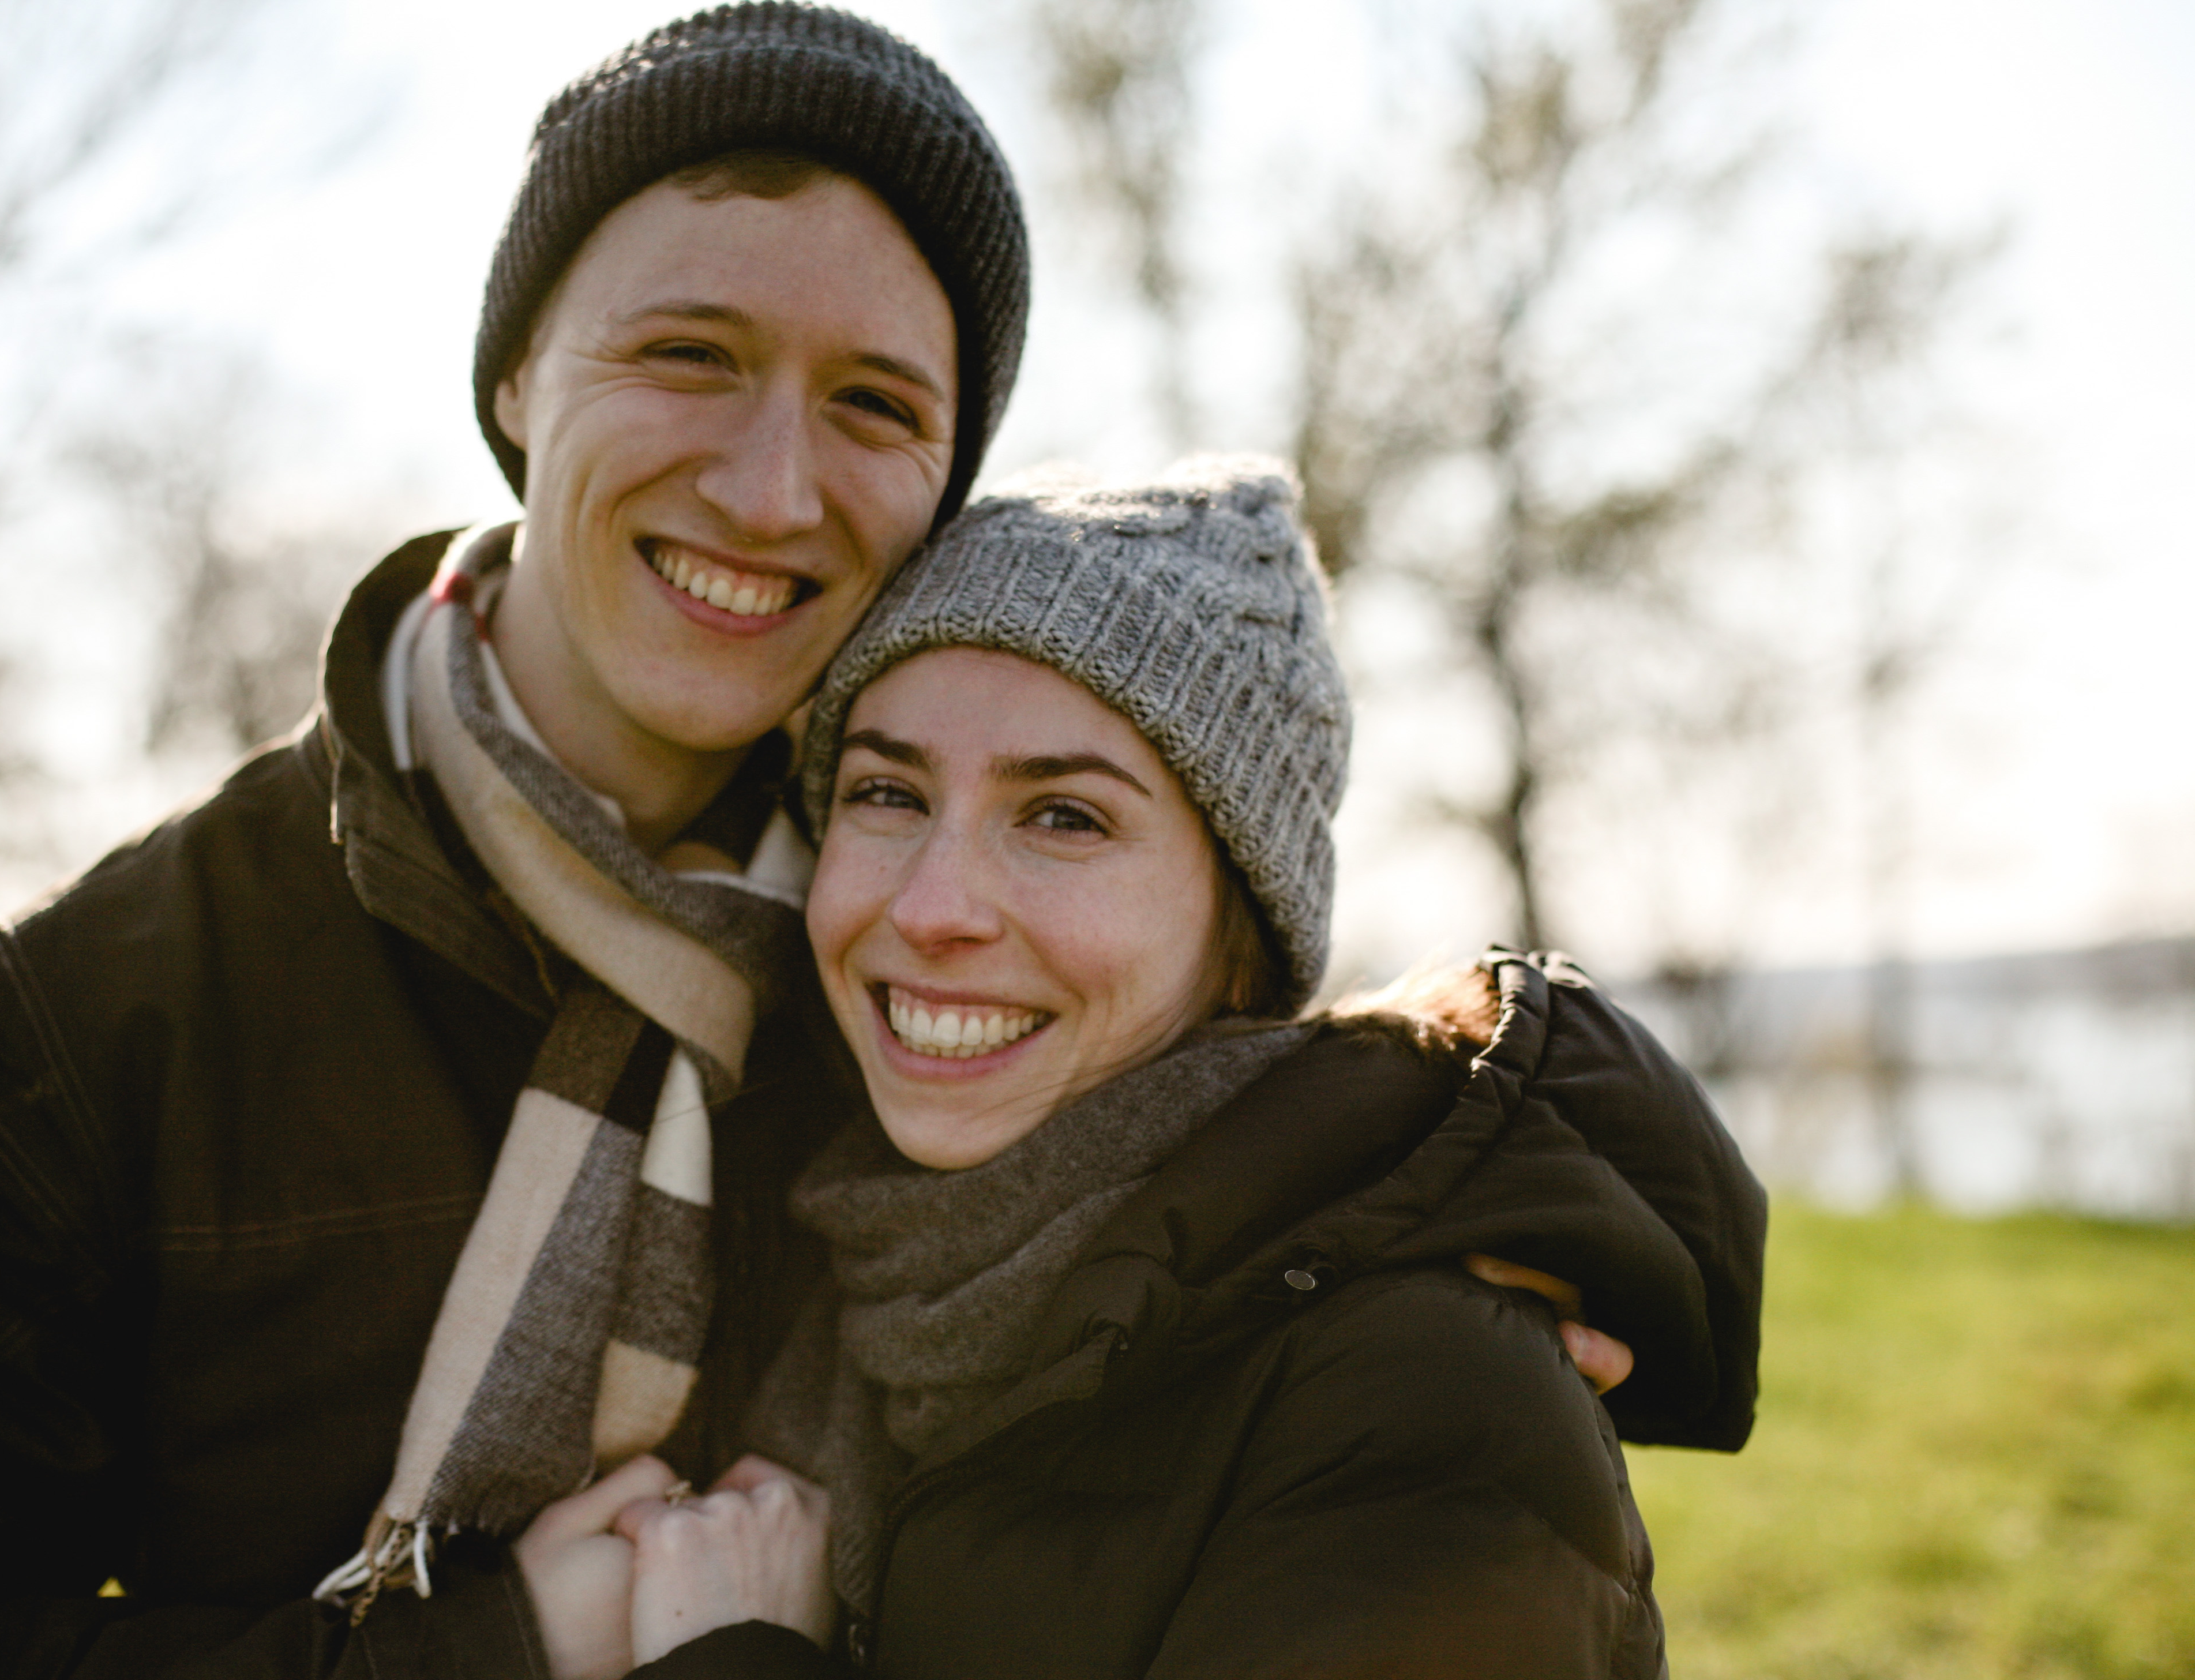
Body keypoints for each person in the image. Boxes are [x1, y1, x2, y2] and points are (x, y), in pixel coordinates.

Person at [0, 8, 1627, 1677]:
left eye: (873, 404)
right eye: (690, 354)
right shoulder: (100, 1010)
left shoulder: (927, 973)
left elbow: (1253, 1157)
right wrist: (492, 1655)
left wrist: (1491, 1238)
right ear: (516, 380)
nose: (772, 483)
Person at [568, 460, 1766, 1677]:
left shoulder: (1425, 1389)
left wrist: (729, 1657)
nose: (931, 907)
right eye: (886, 791)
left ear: (1238, 932)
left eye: (1065, 818)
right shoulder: (835, 1287)